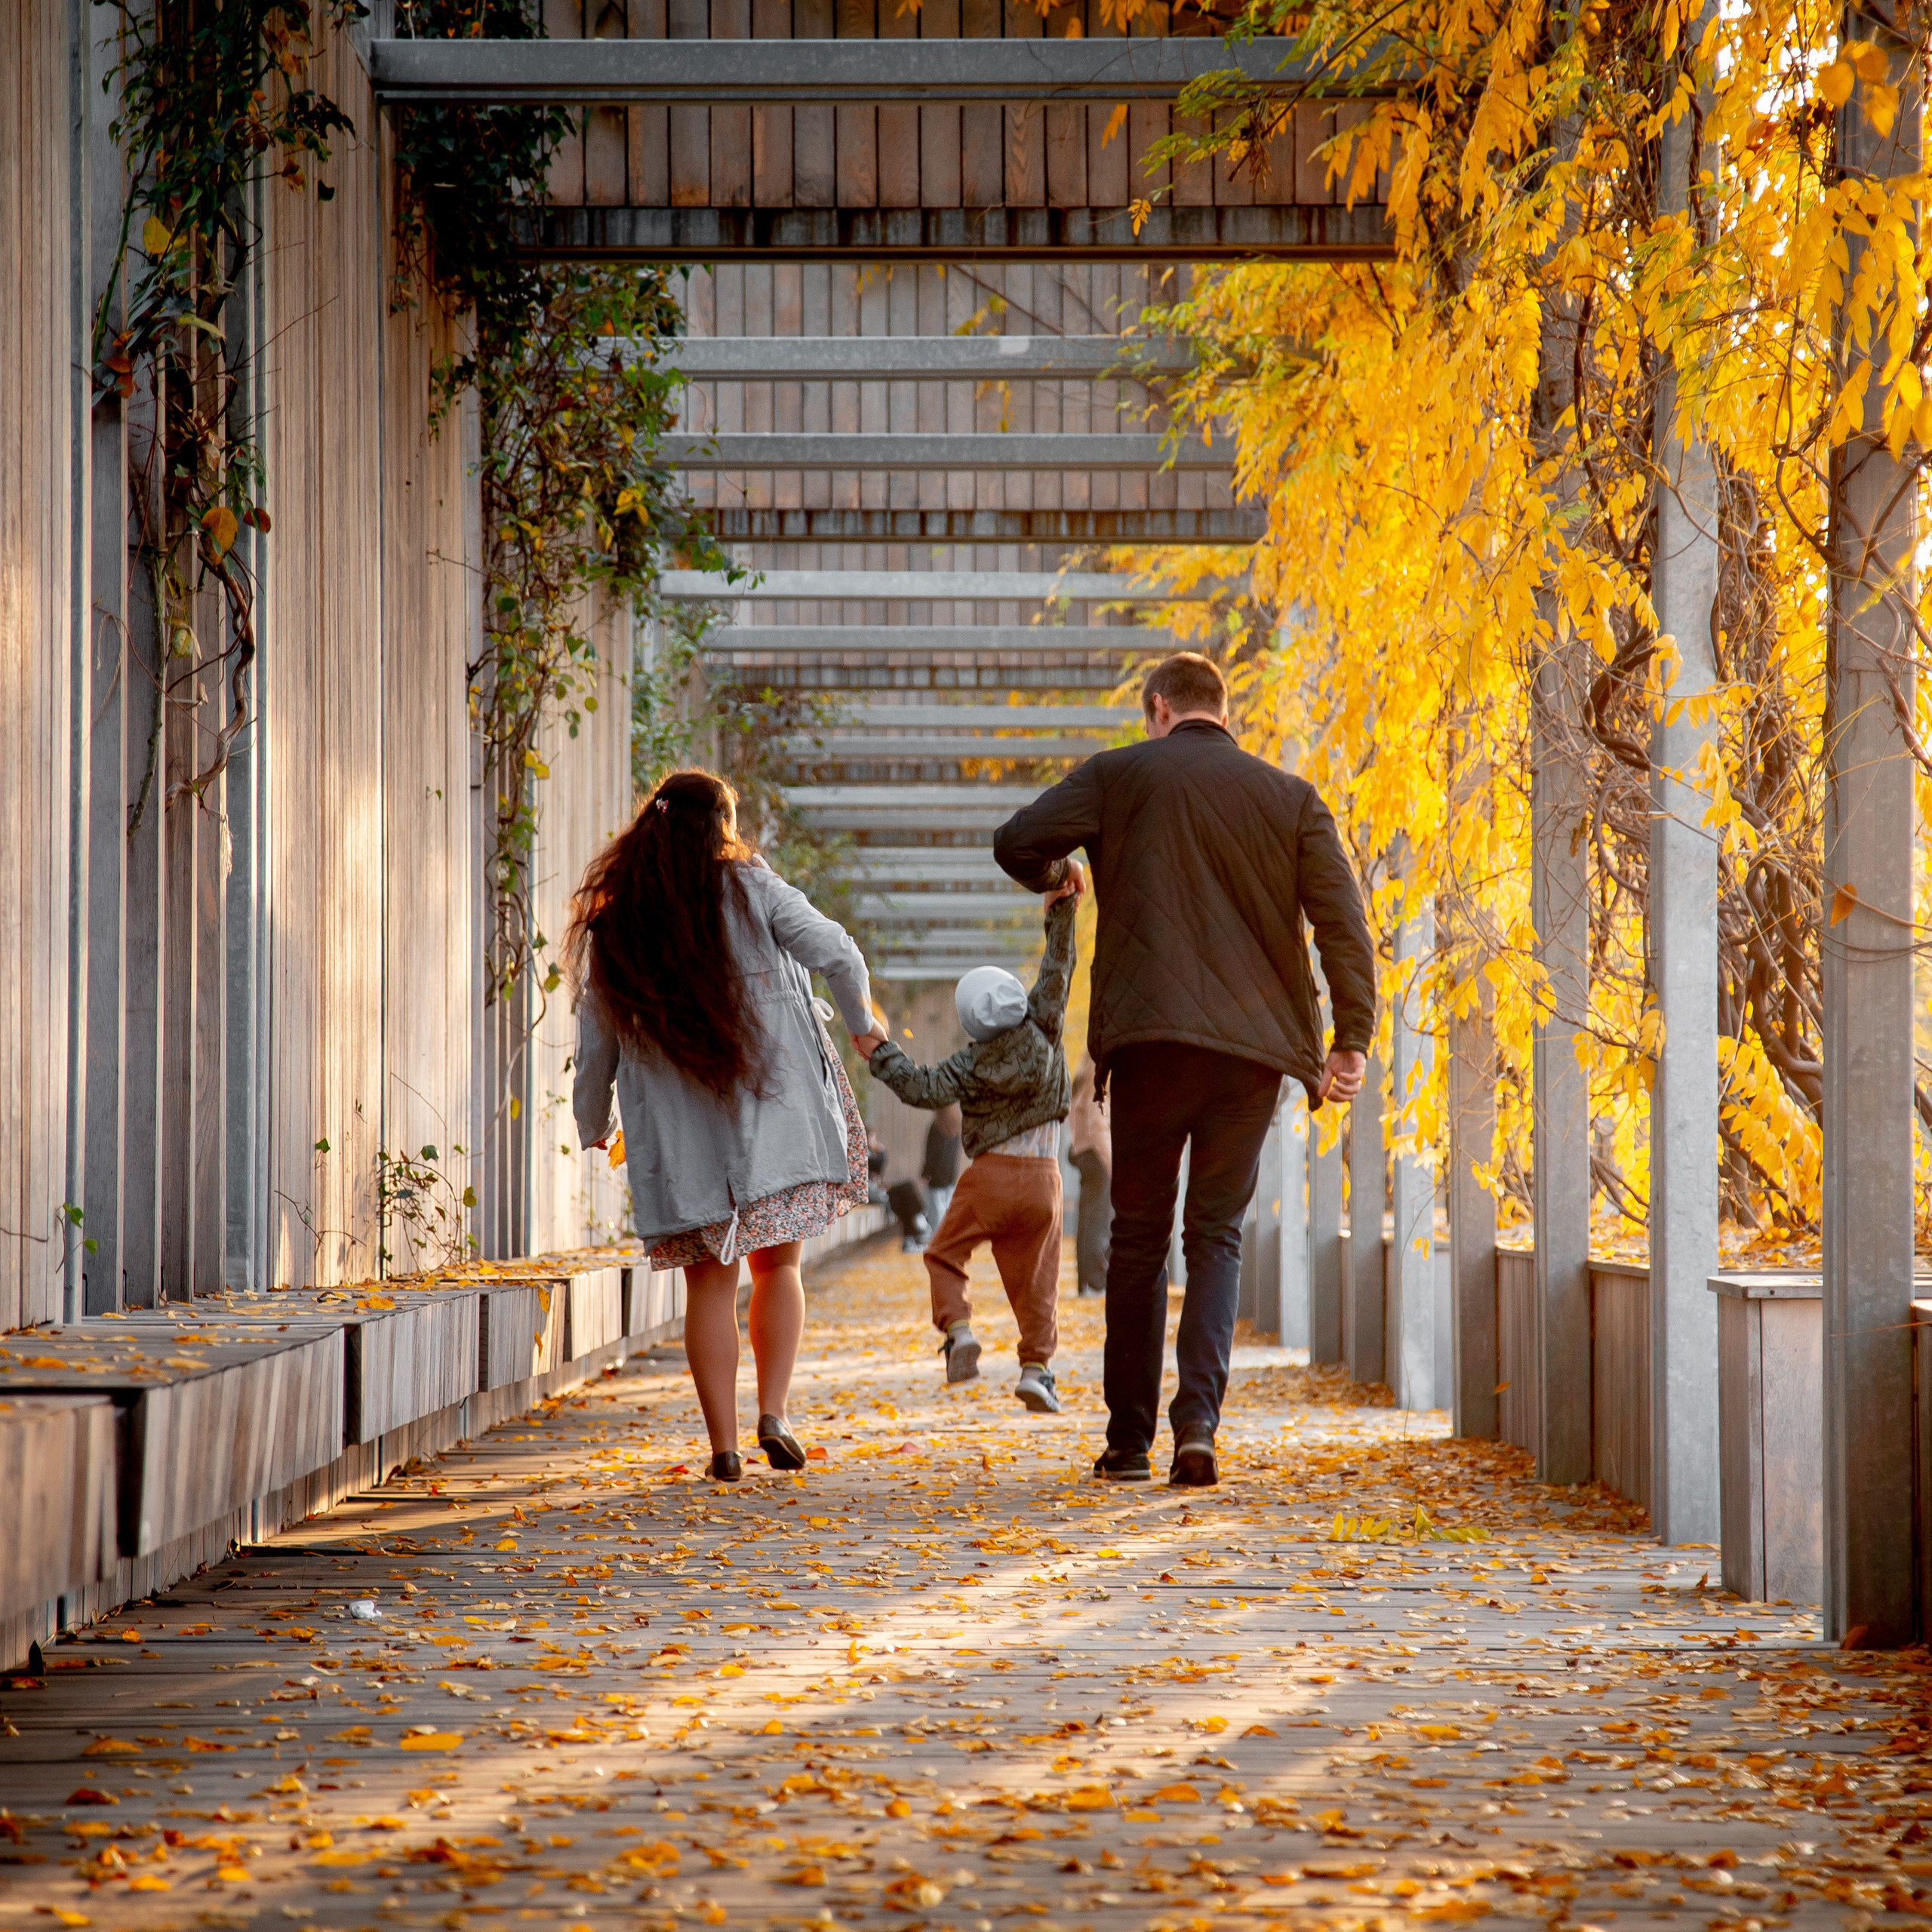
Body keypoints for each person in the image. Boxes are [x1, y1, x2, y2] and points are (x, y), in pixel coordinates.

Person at [992, 652, 1375, 1487]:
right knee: (1215, 1238)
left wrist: (1063, 875)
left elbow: (1015, 840)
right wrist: (1350, 1038)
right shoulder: (1290, 797)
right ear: (1220, 710)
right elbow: (1341, 921)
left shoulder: (1119, 775)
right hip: (1251, 1057)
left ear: (1158, 707)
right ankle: (1197, 1424)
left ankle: (1127, 1441)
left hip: (1151, 1044)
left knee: (1137, 1240)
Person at [568, 770, 875, 1485]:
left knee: (709, 1285)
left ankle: (725, 1448)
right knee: (780, 1266)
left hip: (683, 1138)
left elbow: (595, 1041)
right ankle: (775, 1413)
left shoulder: (619, 922)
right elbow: (839, 952)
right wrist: (860, 1026)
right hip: (771, 1116)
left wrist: (592, 1122)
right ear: (721, 829)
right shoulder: (754, 889)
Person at [851, 875, 1084, 1416]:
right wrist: (1061, 907)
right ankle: (1037, 1371)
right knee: (1039, 1283)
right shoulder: (1045, 1025)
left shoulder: (970, 1062)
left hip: (989, 1178)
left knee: (944, 1253)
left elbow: (922, 1088)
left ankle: (960, 1333)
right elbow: (1059, 965)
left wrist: (880, 1050)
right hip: (1044, 1181)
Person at [1067, 1060, 1112, 1299]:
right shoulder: (1101, 1072)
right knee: (1099, 1221)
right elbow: (1098, 1123)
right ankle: (1095, 1283)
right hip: (1097, 1155)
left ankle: (1086, 1283)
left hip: (1084, 1152)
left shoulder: (1085, 1072)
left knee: (1088, 1220)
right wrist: (1111, 1164)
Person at [922, 1102, 963, 1232]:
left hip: (936, 1177)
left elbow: (931, 1154)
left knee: (936, 1214)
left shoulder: (936, 1127)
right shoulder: (956, 1127)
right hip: (950, 1175)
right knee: (948, 1210)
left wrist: (925, 1174)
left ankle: (938, 1240)